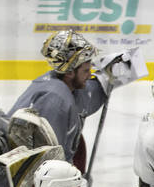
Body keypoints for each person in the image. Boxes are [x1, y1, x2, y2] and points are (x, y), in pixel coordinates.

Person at [9, 30, 108, 173]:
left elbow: (85, 100)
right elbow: (50, 158)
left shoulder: (63, 85)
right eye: (86, 71)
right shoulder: (54, 100)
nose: (89, 75)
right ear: (69, 73)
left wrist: (107, 77)